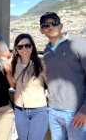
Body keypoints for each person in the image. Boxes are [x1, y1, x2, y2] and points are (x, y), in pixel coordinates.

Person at [39, 12, 86, 140]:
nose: (51, 27)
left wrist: (84, 111)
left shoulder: (79, 43)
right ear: (41, 30)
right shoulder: (47, 50)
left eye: (54, 23)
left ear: (61, 25)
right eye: (46, 25)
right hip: (53, 111)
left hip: (75, 112)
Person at [11, 33, 48, 140]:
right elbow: (12, 83)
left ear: (32, 46)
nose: (24, 49)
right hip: (19, 110)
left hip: (39, 110)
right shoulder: (13, 63)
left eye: (27, 45)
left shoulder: (41, 63)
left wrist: (45, 74)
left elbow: (50, 85)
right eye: (20, 46)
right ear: (16, 49)